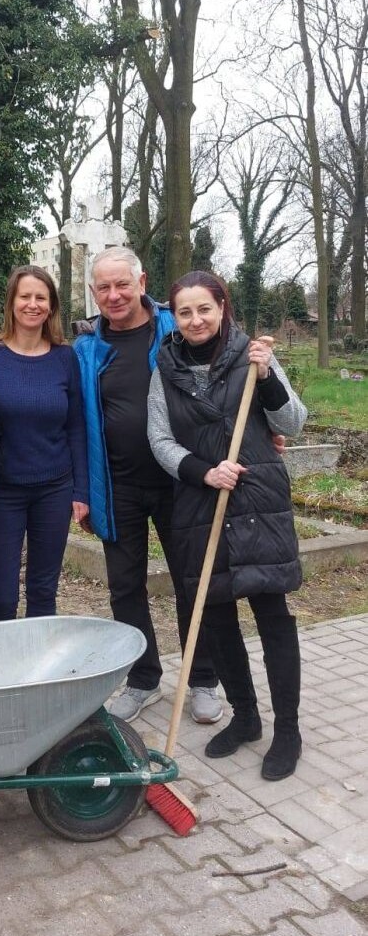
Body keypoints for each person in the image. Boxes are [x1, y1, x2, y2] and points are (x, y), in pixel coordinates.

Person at [148, 270, 307, 780]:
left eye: (205, 309)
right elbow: (160, 439)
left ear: (222, 308)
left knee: (270, 611)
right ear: (174, 316)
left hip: (257, 501)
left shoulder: (253, 355)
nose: (195, 320)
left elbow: (292, 424)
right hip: (200, 504)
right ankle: (246, 718)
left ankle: (287, 730)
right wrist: (203, 471)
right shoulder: (164, 367)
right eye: (185, 311)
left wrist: (269, 380)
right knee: (215, 615)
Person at [73, 247, 221, 724]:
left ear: (142, 281)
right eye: (103, 287)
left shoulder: (174, 327)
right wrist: (80, 489)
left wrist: (262, 428)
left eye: (122, 284)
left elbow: (223, 379)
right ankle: (143, 680)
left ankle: (203, 679)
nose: (113, 295)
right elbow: (72, 421)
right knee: (125, 588)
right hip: (117, 488)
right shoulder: (87, 349)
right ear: (94, 292)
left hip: (181, 482)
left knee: (191, 581)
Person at [0, 266, 88, 621]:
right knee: (2, 596)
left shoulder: (66, 357)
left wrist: (80, 491)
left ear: (51, 306)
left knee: (43, 591)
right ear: (11, 302)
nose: (32, 304)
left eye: (41, 298)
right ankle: (4, 671)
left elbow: (76, 425)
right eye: (25, 296)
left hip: (54, 489)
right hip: (1, 490)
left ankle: (39, 671)